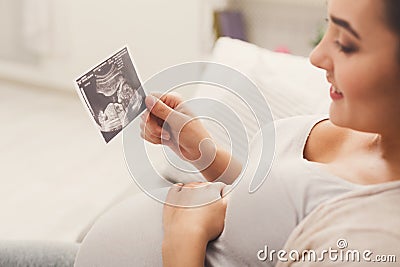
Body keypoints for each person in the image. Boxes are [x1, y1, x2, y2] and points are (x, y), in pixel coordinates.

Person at [72, 0, 400, 266]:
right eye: (328, 26)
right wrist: (204, 151)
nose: (316, 57)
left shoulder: (376, 235)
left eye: (345, 44)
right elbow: (268, 213)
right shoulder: (363, 127)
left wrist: (183, 236)